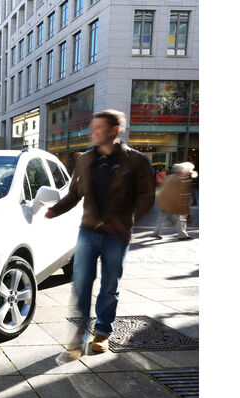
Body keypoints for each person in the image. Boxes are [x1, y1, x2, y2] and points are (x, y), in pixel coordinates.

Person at [45, 110, 155, 359]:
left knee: (109, 287)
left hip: (116, 236)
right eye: (92, 127)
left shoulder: (136, 161)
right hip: (88, 232)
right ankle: (78, 337)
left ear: (114, 130)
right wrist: (54, 210)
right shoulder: (84, 159)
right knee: (81, 285)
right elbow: (75, 194)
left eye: (99, 128)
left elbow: (147, 198)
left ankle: (103, 333)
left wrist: (127, 224)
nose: (93, 132)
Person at [151, 162, 197, 241]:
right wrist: (185, 205)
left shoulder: (169, 177)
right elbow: (183, 193)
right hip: (175, 204)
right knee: (181, 220)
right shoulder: (182, 178)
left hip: (166, 202)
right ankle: (182, 235)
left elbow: (162, 189)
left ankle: (155, 233)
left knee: (162, 219)